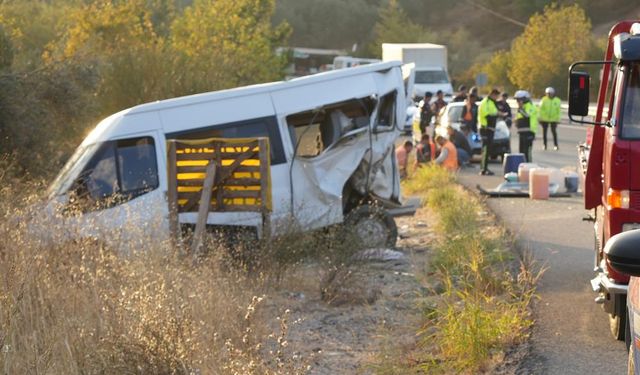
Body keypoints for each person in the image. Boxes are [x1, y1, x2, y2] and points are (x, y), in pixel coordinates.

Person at [477, 88, 508, 175]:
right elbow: (487, 115)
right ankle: (483, 169)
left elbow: (494, 112)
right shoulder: (486, 102)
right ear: (492, 94)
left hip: (490, 129)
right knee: (486, 149)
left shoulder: (491, 103)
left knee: (488, 149)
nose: (497, 97)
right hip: (485, 128)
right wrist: (497, 115)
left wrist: (501, 114)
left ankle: (485, 168)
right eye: (496, 95)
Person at [514, 90, 538, 162]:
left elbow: (527, 116)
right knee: (521, 152)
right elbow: (519, 118)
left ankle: (528, 166)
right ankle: (522, 168)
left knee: (527, 152)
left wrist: (520, 109)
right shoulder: (521, 108)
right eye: (517, 100)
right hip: (522, 132)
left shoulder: (530, 106)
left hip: (529, 132)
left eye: (519, 100)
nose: (517, 102)